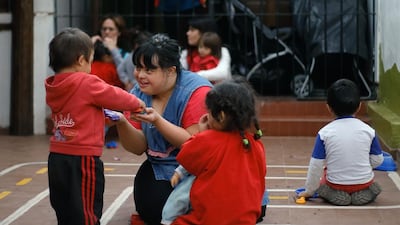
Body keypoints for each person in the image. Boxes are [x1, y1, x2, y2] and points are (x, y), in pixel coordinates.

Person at [45, 27, 145, 225]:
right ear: (81, 60)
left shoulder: (53, 84)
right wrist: (137, 103)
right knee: (86, 211)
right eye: (91, 59)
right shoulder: (86, 82)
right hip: (82, 159)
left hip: (56, 156)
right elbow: (114, 95)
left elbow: (80, 107)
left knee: (64, 207)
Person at [111, 33, 213, 225]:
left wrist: (158, 121)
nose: (140, 75)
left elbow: (195, 144)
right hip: (161, 167)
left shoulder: (197, 92)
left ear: (171, 71)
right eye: (138, 68)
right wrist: (121, 122)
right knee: (151, 207)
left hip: (199, 169)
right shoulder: (137, 92)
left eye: (149, 70)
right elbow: (138, 147)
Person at [161, 78, 266, 224]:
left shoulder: (209, 140)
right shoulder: (254, 144)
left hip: (210, 219)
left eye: (209, 112)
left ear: (221, 116)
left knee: (176, 214)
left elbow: (187, 157)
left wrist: (201, 133)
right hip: (246, 219)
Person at [297, 78, 384, 206]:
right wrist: (361, 163)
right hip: (363, 183)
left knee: (322, 185)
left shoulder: (324, 133)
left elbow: (316, 165)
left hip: (336, 185)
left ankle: (333, 195)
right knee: (372, 185)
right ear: (359, 106)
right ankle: (367, 193)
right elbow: (378, 160)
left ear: (329, 108)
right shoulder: (369, 131)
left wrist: (309, 191)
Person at [180, 16, 232, 83]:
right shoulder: (186, 53)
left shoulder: (222, 50)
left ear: (203, 32)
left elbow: (222, 73)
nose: (188, 33)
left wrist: (193, 76)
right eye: (188, 30)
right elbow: (181, 74)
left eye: (192, 30)